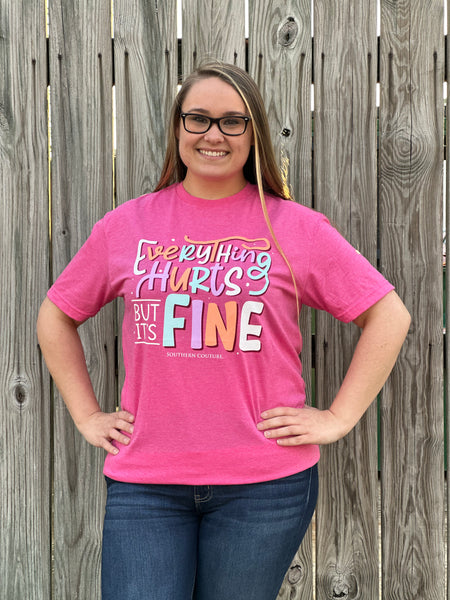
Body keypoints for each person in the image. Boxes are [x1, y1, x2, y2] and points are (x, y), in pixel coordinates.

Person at [37, 61, 411, 600]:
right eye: (199, 118)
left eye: (233, 121)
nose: (214, 134)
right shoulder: (128, 225)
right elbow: (56, 314)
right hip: (147, 482)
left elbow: (389, 315)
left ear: (253, 131)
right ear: (178, 128)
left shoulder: (293, 227)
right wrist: (87, 414)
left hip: (265, 486)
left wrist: (338, 417)